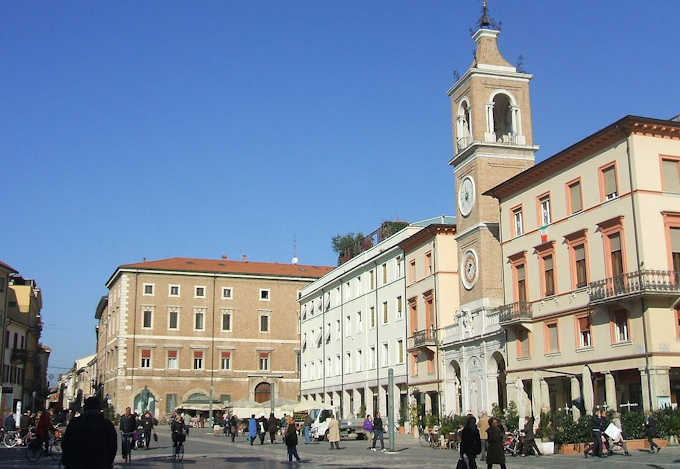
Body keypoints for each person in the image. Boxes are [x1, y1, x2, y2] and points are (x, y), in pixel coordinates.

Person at [61, 396, 117, 469]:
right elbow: (113, 446)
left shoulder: (75, 423)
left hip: (77, 464)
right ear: (99, 409)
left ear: (85, 408)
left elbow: (66, 444)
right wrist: (107, 463)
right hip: (100, 464)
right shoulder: (106, 424)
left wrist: (67, 461)